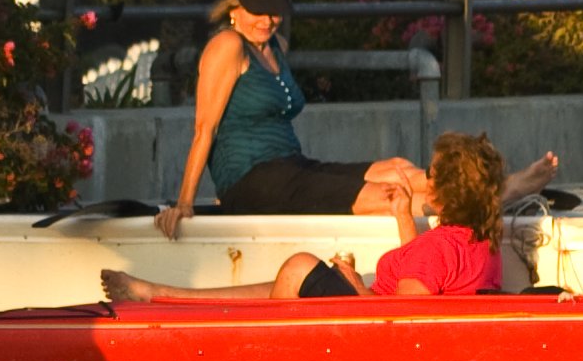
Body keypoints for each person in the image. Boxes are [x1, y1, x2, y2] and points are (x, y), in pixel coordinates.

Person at [155, 0, 426, 239]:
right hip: (253, 182)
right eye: (258, 11)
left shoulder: (275, 46)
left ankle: (465, 195)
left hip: (293, 168)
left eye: (274, 12)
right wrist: (185, 204)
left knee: (398, 169)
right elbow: (204, 130)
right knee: (389, 196)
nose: (267, 21)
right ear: (233, 8)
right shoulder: (228, 45)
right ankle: (437, 247)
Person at [106, 127, 526, 306]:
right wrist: (402, 214)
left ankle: (166, 298)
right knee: (287, 282)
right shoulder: (476, 239)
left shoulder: (437, 249)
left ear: (440, 189)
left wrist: (350, 285)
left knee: (299, 266)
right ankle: (159, 293)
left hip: (364, 323)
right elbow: (425, 278)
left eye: (430, 173)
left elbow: (402, 322)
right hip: (371, 305)